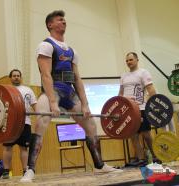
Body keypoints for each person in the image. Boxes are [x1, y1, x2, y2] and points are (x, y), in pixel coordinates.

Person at [20, 10, 122, 183]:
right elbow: (45, 75)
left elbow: (77, 79)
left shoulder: (72, 51)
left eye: (64, 19)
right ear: (50, 25)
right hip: (54, 89)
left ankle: (99, 166)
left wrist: (85, 104)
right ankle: (30, 170)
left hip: (69, 92)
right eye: (60, 20)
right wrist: (52, 102)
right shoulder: (46, 45)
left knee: (90, 124)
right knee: (42, 122)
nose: (64, 21)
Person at [118, 52, 160, 166]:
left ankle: (155, 156)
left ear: (137, 60)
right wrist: (119, 106)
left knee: (146, 134)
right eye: (127, 60)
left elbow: (152, 91)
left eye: (131, 60)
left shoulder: (143, 73)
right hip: (128, 110)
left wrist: (144, 102)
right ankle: (141, 159)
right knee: (133, 135)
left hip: (141, 108)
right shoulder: (123, 76)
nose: (128, 62)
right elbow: (120, 93)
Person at [1, 69, 37, 179]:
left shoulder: (28, 90)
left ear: (20, 77)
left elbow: (35, 105)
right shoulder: (5, 90)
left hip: (25, 122)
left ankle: (25, 171)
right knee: (7, 147)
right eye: (14, 75)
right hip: (9, 124)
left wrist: (40, 116)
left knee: (24, 148)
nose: (16, 77)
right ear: (10, 78)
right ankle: (6, 172)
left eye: (18, 75)